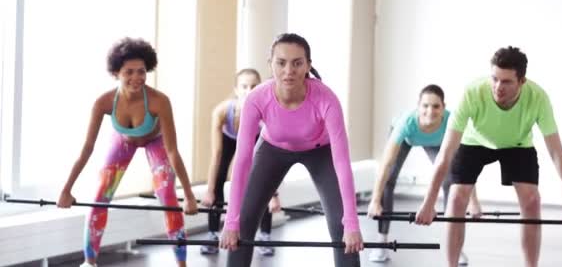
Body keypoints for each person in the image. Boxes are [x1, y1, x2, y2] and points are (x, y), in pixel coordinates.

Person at [415, 46, 562, 267]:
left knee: (532, 200)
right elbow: (445, 155)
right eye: (494, 79)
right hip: (474, 141)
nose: (498, 87)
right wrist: (428, 203)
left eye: (506, 82)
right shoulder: (472, 93)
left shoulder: (538, 98)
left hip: (517, 144)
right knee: (457, 198)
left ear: (522, 81)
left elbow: (557, 154)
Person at [219, 33, 364, 267]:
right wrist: (231, 223)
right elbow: (243, 161)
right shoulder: (257, 98)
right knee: (242, 225)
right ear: (271, 64)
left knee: (341, 226)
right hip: (272, 149)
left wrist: (352, 224)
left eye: (297, 63)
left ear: (308, 65)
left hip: (320, 151)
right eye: (281, 62)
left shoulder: (326, 99)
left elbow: (342, 163)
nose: (289, 70)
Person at [57, 38, 198, 267]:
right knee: (99, 197)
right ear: (116, 73)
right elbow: (87, 148)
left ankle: (181, 264)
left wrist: (190, 196)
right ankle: (89, 262)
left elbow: (172, 150)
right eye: (128, 72)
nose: (136, 78)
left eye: (141, 71)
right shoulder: (103, 102)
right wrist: (66, 189)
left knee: (168, 198)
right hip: (123, 141)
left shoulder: (159, 101)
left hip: (156, 141)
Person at [367, 84, 481, 265]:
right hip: (408, 139)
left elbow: (465, 168)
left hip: (437, 142)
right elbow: (386, 164)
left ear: (443, 108)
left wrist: (473, 202)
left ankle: (456, 249)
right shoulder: (406, 123)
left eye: (436, 106)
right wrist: (374, 200)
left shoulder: (452, 122)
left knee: (451, 182)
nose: (430, 111)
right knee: (389, 180)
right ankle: (381, 242)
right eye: (425, 106)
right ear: (418, 106)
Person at [200, 68, 281, 256]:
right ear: (236, 90)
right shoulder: (221, 111)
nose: (249, 90)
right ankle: (213, 234)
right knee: (220, 176)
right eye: (244, 86)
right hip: (229, 138)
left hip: (254, 138)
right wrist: (210, 190)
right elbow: (217, 154)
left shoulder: (266, 114)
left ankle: (265, 236)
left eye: (254, 86)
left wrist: (273, 195)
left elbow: (270, 161)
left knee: (261, 180)